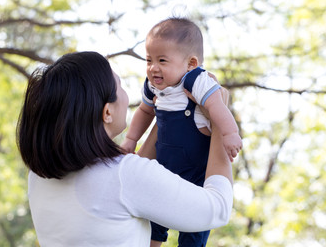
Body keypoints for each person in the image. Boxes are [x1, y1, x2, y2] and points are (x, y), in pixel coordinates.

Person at [16, 51, 233, 247]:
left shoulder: (38, 177)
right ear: (107, 112)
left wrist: (170, 111)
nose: (126, 92)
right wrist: (218, 121)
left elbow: (127, 181)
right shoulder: (123, 177)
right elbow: (218, 208)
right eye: (119, 86)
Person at [120, 17, 242, 247]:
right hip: (163, 170)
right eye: (149, 60)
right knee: (152, 224)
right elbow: (145, 112)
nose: (153, 67)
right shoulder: (153, 85)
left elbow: (218, 106)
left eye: (162, 60)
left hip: (196, 174)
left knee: (195, 232)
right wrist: (130, 139)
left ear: (190, 63)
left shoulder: (197, 81)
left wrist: (229, 134)